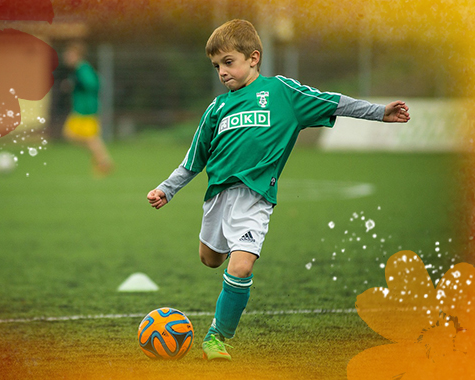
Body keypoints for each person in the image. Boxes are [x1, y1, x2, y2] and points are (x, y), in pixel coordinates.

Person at [147, 19, 410, 361]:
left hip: (256, 199)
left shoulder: (282, 93)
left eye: (229, 62)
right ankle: (232, 260)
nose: (222, 72)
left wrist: (379, 112)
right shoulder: (217, 108)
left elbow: (333, 102)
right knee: (210, 259)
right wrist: (167, 190)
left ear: (253, 58)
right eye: (216, 66)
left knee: (240, 267)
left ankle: (217, 337)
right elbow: (194, 159)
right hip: (218, 198)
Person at [62, 42, 113, 176]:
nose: (66, 57)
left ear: (76, 55)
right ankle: (101, 158)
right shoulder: (78, 70)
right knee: (71, 135)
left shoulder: (83, 68)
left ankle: (104, 161)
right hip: (80, 109)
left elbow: (94, 83)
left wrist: (76, 83)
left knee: (90, 138)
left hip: (86, 109)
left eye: (69, 54)